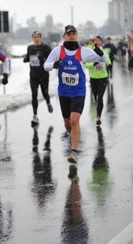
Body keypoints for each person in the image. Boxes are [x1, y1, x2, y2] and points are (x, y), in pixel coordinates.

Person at [44, 25, 108, 164]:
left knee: (74, 120)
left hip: (79, 92)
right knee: (68, 122)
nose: (71, 36)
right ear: (64, 36)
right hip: (63, 92)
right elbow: (46, 65)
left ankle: (74, 151)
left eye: (74, 33)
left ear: (77, 35)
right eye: (69, 34)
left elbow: (104, 59)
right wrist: (53, 65)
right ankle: (73, 134)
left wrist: (100, 51)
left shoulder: (84, 51)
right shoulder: (57, 51)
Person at [23, 30, 53, 127]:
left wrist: (43, 59)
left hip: (44, 75)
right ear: (32, 38)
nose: (36, 39)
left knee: (45, 93)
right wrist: (26, 58)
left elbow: (51, 60)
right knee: (34, 94)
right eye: (34, 37)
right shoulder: (30, 48)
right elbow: (28, 57)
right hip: (33, 76)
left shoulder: (46, 48)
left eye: (38, 37)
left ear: (40, 38)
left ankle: (48, 102)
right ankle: (35, 115)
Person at [85, 36, 111, 126]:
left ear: (101, 42)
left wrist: (109, 64)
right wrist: (93, 64)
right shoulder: (90, 52)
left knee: (100, 97)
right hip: (93, 78)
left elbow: (107, 60)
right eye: (95, 40)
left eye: (99, 40)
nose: (97, 41)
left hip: (103, 77)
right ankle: (98, 111)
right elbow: (86, 64)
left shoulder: (105, 51)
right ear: (93, 42)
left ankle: (98, 117)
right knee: (96, 97)